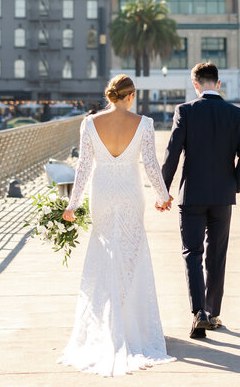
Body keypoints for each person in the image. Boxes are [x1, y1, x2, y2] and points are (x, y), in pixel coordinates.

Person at [59, 75, 174, 376]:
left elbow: (84, 166)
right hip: (130, 191)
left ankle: (106, 325)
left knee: (104, 252)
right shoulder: (145, 124)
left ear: (110, 95)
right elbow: (150, 164)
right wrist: (163, 196)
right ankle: (129, 323)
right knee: (131, 256)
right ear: (130, 95)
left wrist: (72, 205)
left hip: (103, 192)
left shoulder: (90, 123)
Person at [161, 61, 240, 339]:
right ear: (219, 83)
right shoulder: (236, 114)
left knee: (192, 252)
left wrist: (162, 189)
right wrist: (234, 185)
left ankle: (198, 312)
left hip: (192, 195)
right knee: (217, 255)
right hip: (223, 197)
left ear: (196, 84)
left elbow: (173, 152)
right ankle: (212, 313)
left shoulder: (185, 111)